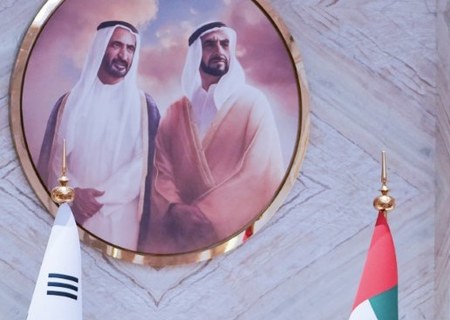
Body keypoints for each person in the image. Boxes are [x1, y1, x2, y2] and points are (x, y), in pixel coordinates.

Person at [142, 21, 284, 254]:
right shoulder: (175, 112)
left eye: (224, 44)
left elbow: (259, 171)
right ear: (196, 54)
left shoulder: (252, 102)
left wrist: (207, 215)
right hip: (180, 232)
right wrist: (176, 209)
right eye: (210, 45)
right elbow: (161, 170)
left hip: (232, 235)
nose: (219, 51)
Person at [38, 21, 160, 252]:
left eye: (130, 48)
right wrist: (75, 195)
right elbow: (55, 158)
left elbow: (144, 163)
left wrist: (96, 200)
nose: (123, 55)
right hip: (71, 211)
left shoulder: (144, 106)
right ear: (101, 47)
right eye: (116, 45)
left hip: (122, 219)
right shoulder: (69, 102)